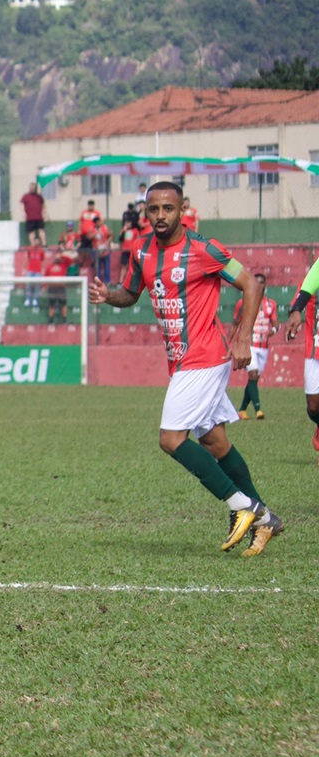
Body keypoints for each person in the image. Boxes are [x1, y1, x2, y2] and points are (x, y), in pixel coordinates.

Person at [88, 181, 282, 557]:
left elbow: (250, 286)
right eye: (154, 209)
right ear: (146, 212)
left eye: (168, 209)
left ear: (182, 210)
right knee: (214, 442)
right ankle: (266, 519)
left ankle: (245, 507)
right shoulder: (141, 250)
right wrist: (107, 295)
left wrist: (243, 338)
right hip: (180, 360)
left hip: (205, 357)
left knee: (171, 439)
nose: (160, 216)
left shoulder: (202, 249)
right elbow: (130, 294)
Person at [282, 256, 319, 464]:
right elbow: (302, 295)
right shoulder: (315, 273)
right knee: (313, 407)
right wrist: (295, 312)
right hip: (315, 348)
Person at [231, 273, 277, 420]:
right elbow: (235, 323)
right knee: (253, 374)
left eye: (262, 282)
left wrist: (273, 330)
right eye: (256, 282)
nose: (259, 285)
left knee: (254, 379)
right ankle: (259, 410)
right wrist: (229, 342)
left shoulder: (271, 304)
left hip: (263, 346)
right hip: (249, 344)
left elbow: (276, 324)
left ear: (265, 285)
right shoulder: (243, 302)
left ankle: (242, 409)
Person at [19, 182, 46, 247]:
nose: (33, 189)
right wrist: (23, 213)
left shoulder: (39, 196)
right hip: (30, 217)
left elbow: (43, 205)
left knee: (41, 230)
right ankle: (32, 245)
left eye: (34, 188)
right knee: (31, 232)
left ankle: (44, 244)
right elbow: (21, 204)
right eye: (32, 187)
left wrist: (44, 213)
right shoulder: (26, 196)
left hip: (39, 217)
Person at [78, 199, 101, 270]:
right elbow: (80, 222)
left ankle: (94, 262)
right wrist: (79, 230)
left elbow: (99, 223)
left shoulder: (96, 213)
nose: (90, 207)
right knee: (82, 248)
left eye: (92, 205)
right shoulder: (84, 212)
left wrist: (95, 231)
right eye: (89, 205)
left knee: (92, 248)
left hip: (92, 235)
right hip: (84, 235)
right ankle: (80, 262)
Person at [92, 217, 114, 285]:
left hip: (105, 250)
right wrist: (95, 234)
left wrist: (107, 243)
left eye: (98, 221)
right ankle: (98, 281)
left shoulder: (105, 227)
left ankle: (107, 282)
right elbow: (88, 237)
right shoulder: (93, 229)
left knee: (106, 266)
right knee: (97, 267)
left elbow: (111, 235)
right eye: (96, 222)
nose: (98, 223)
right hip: (96, 251)